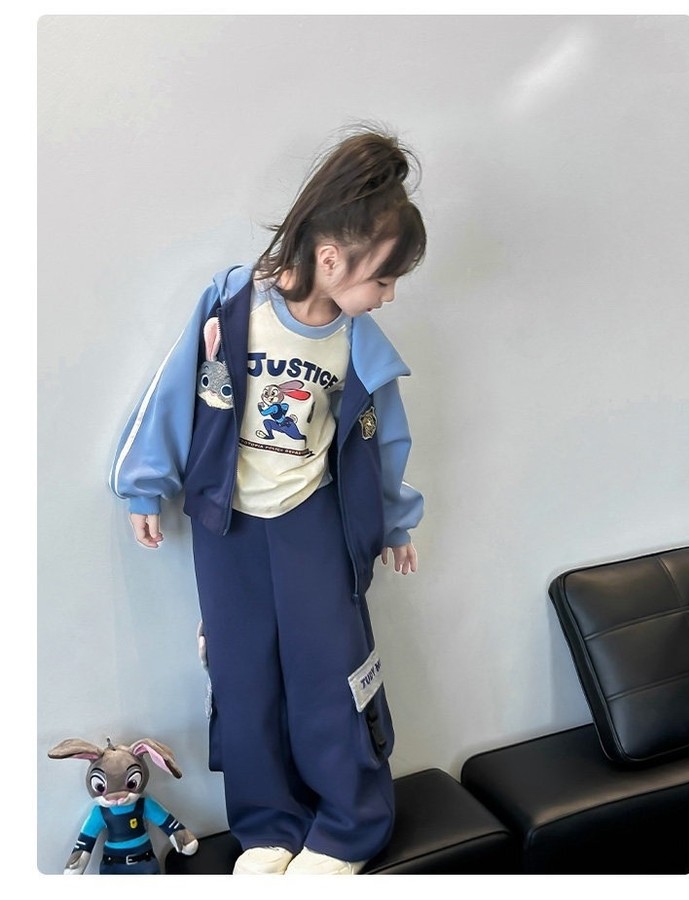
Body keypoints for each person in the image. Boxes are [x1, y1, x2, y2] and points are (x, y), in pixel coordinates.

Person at [110, 127, 426, 875]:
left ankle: (348, 826)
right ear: (331, 259)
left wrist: (397, 522)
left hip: (314, 522)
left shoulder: (359, 344)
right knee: (242, 675)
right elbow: (170, 394)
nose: (389, 295)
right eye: (385, 278)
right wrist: (145, 484)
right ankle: (267, 828)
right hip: (227, 524)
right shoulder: (233, 304)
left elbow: (385, 441)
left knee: (332, 675)